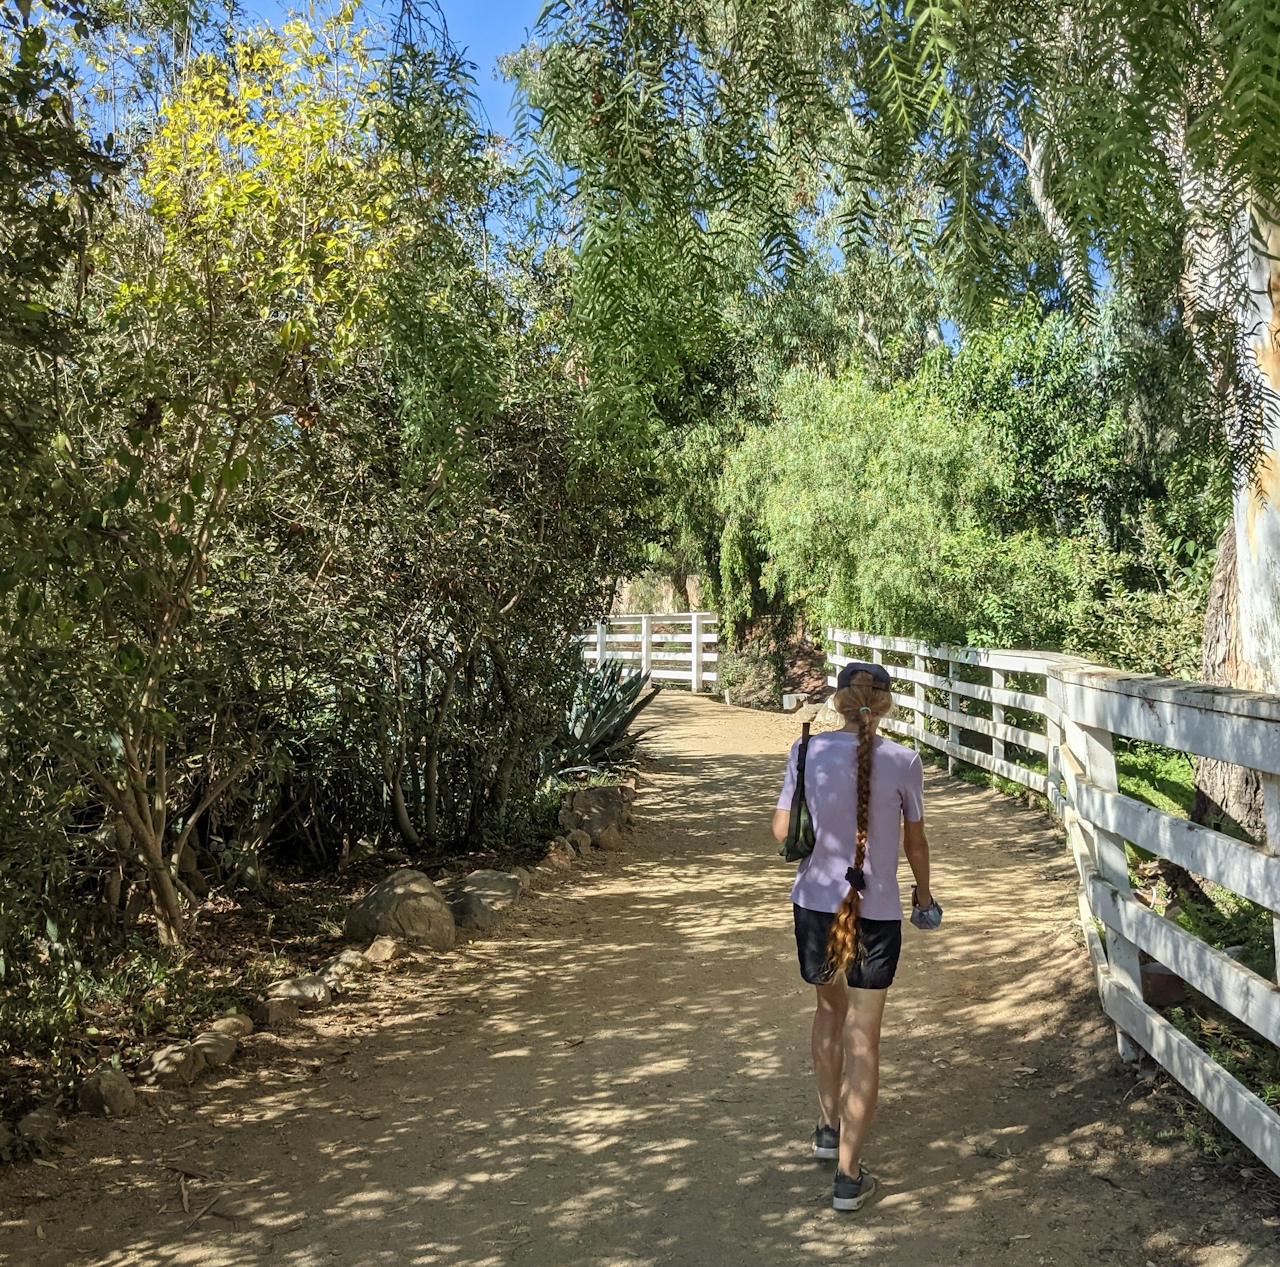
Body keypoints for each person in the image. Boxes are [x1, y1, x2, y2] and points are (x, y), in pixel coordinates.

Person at [772, 661, 934, 1212]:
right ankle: (848, 1176)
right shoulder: (904, 762)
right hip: (878, 911)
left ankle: (825, 1126)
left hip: (816, 905)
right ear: (884, 703)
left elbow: (779, 832)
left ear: (838, 700)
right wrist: (925, 896)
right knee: (865, 1036)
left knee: (827, 1013)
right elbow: (916, 846)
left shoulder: (806, 752)